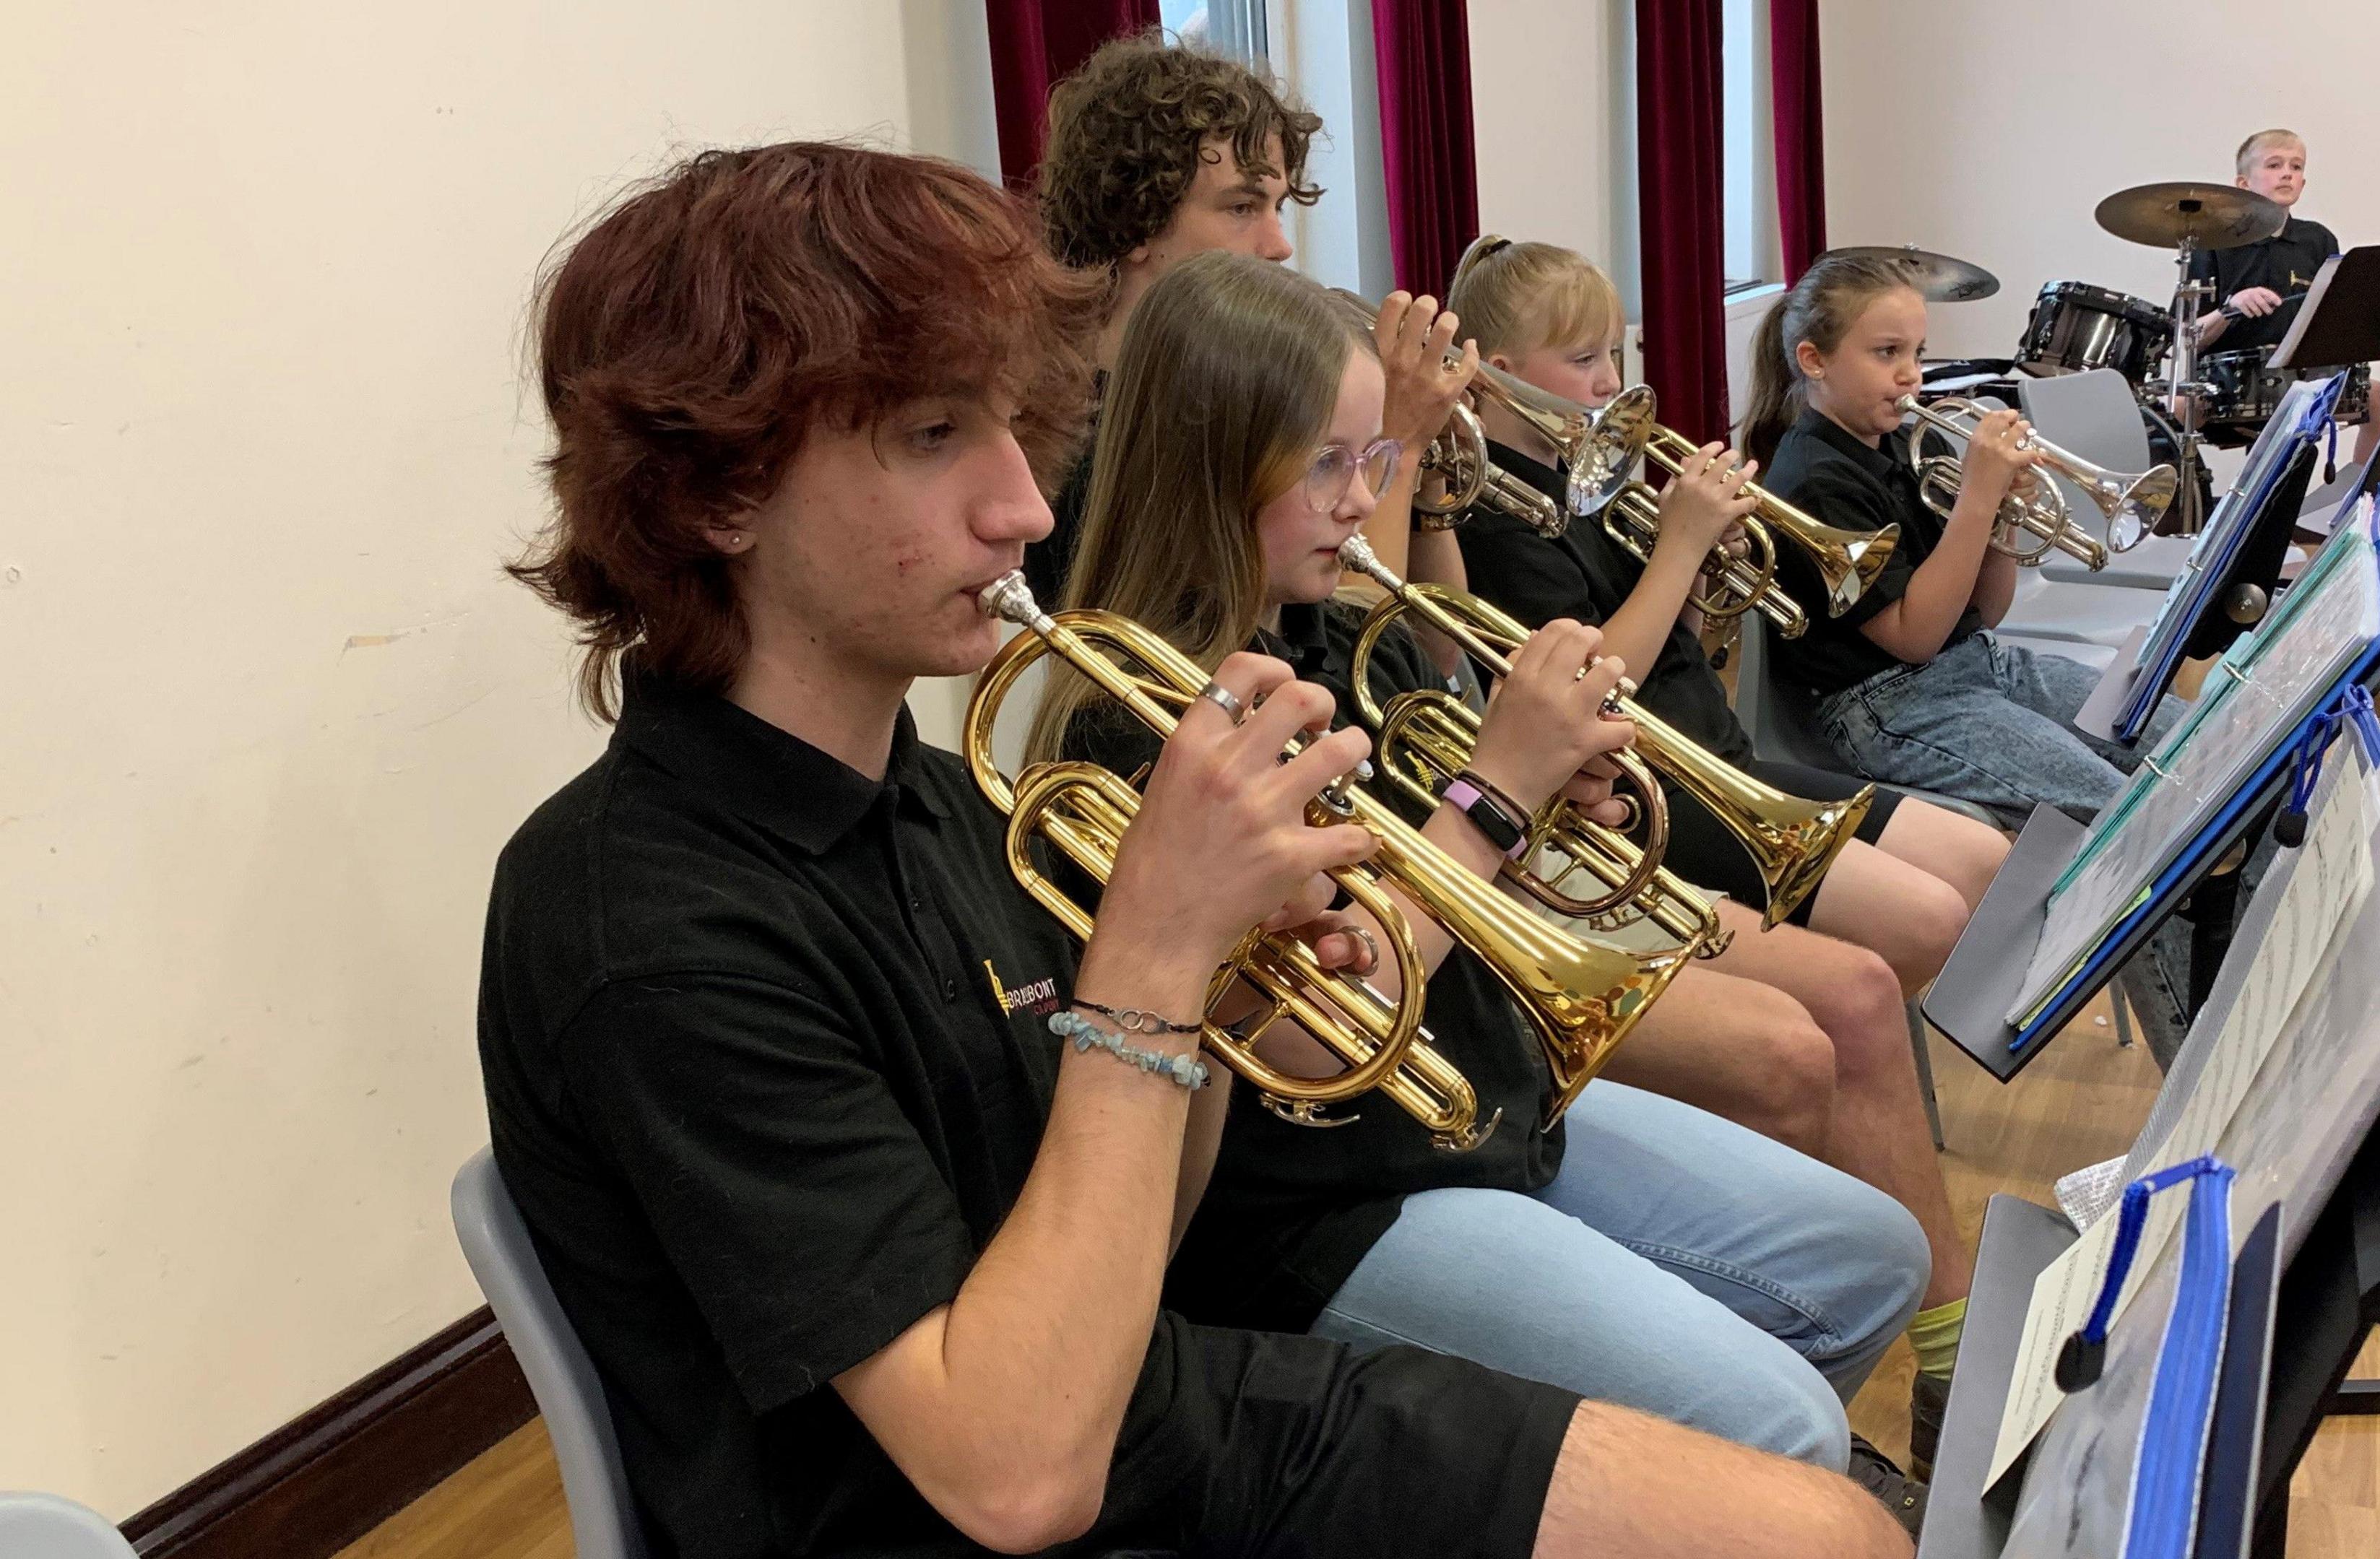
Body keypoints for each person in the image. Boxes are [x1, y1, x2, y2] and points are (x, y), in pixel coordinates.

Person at [480, 142, 1916, 1559]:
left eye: (1010, 429)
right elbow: (1012, 1473)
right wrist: (1156, 961)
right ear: (716, 488)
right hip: (1020, 1493)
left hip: (1147, 1394)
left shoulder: (932, 799)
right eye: (932, 436)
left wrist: (1223, 996)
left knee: (1818, 1514)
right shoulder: (647, 919)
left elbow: (1138, 1229)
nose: (1028, 508)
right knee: (1798, 1508)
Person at [1039, 248, 1938, 1527]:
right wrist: (1494, 802)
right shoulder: (1133, 719)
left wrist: (1547, 802)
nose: (1363, 501)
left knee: (1872, 1261)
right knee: (1782, 1415)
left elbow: (1441, 858)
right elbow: (1304, 1028)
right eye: (1328, 465)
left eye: (1376, 459)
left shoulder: (1322, 629)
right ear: (1208, 463)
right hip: (1321, 1200)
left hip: (1482, 1100)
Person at [1440, 234, 2012, 1473]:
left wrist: (1710, 564)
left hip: (1710, 769)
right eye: (1586, 359)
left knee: (1924, 925)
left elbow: (1686, 650)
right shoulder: (1487, 515)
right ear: (1487, 374)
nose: (1612, 384)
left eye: (1620, 354)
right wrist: (1690, 541)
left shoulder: (1582, 483)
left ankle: (1906, 1248)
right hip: (1644, 802)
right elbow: (1598, 691)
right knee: (1875, 974)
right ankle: (1925, 1302)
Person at [1745, 251, 2203, 1064]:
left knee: (2199, 739)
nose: (1910, 376)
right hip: (1889, 704)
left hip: (1977, 665)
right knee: (2134, 821)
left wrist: (2001, 519)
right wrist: (1980, 498)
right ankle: (2200, 1057)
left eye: (1914, 353)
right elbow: (1915, 636)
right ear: (1813, 361)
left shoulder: (1891, 444)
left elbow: (1985, 610)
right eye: (1886, 354)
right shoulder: (1812, 477)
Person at [1027, 30, 1465, 602]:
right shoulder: (1079, 448)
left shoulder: (1232, 394)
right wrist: (1399, 446)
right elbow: (1358, 664)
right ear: (1135, 221)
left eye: (1278, 208)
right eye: (1242, 207)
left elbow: (1432, 655)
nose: (1280, 244)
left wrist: (1424, 487)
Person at [2190, 129, 2380, 460]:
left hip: (2304, 382)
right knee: (2176, 407)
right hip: (2229, 386)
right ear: (2243, 184)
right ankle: (2186, 500)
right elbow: (2188, 339)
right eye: (2274, 165)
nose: (2287, 173)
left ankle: (2359, 504)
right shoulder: (2213, 242)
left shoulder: (2318, 240)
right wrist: (2230, 309)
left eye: (2296, 167)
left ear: (2303, 183)